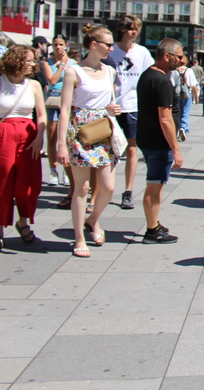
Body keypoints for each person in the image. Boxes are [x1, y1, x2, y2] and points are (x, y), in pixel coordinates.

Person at [56, 24, 122, 258]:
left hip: (103, 129)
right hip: (79, 130)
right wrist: (61, 144)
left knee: (108, 187)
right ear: (93, 45)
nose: (111, 49)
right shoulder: (74, 72)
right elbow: (65, 109)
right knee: (82, 188)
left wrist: (114, 109)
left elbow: (111, 102)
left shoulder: (110, 71)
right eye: (108, 44)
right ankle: (79, 238)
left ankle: (92, 220)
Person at [135, 38, 184, 244]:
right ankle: (151, 230)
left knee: (156, 184)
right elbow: (165, 118)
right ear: (167, 56)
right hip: (158, 141)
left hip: (148, 137)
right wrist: (176, 149)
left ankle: (154, 222)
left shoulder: (148, 75)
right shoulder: (162, 80)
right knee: (155, 185)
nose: (181, 61)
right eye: (179, 56)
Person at [105, 15, 154, 211]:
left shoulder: (142, 53)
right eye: (130, 29)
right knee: (109, 149)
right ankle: (104, 188)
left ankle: (128, 190)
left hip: (134, 107)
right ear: (122, 29)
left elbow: (149, 75)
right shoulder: (111, 51)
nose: (134, 33)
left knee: (132, 149)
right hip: (112, 107)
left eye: (136, 29)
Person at [0, 46, 46, 249]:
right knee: (3, 182)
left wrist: (39, 138)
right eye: (28, 60)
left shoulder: (34, 85)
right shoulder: (1, 82)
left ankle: (23, 220)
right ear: (16, 60)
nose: (32, 64)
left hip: (28, 135)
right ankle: (1, 224)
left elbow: (41, 114)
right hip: (4, 134)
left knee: (26, 186)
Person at [40, 35, 74, 189]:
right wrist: (60, 68)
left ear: (66, 45)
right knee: (52, 136)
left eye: (60, 44)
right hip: (53, 99)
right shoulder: (47, 62)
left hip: (68, 99)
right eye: (55, 45)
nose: (57, 47)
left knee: (67, 136)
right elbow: (52, 80)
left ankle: (67, 172)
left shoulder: (73, 63)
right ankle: (54, 171)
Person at [171, 55, 198, 141]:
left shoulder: (174, 71)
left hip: (176, 94)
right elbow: (193, 84)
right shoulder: (189, 70)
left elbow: (171, 84)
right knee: (185, 112)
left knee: (177, 113)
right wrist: (196, 96)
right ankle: (183, 128)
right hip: (187, 94)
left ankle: (177, 129)